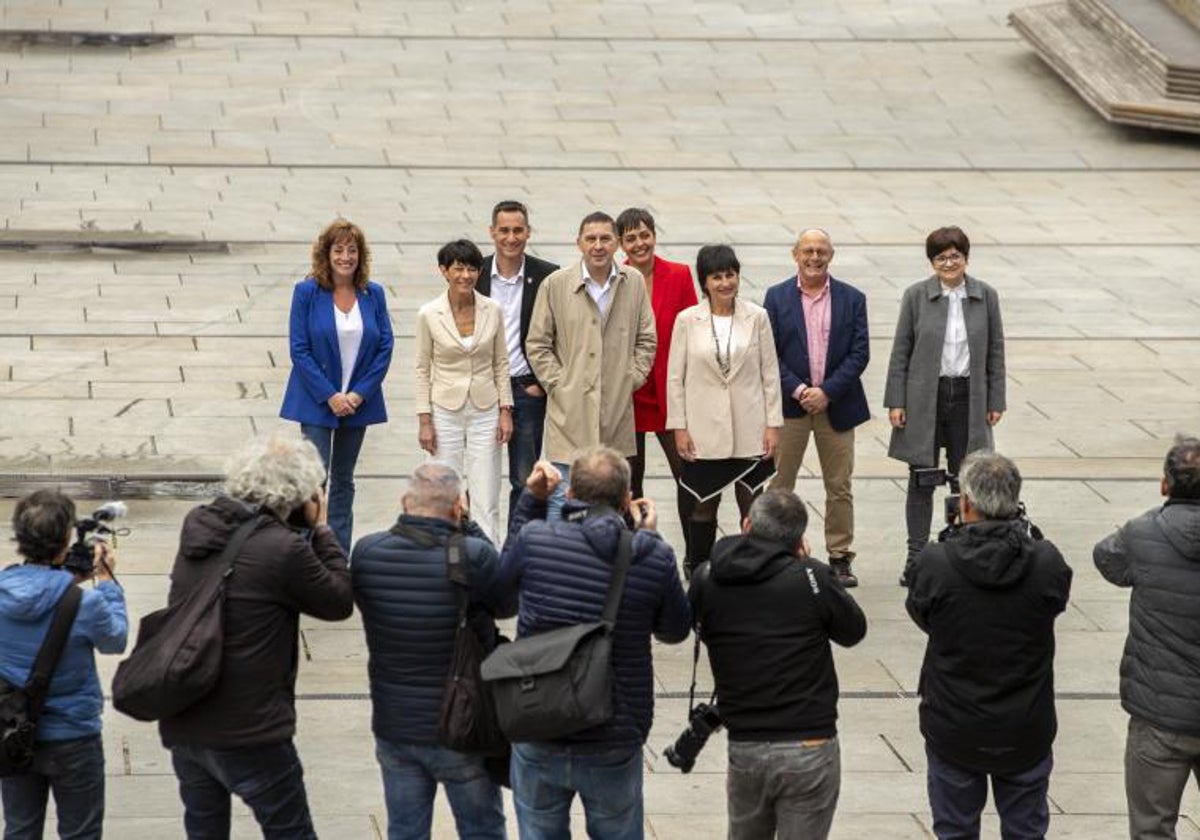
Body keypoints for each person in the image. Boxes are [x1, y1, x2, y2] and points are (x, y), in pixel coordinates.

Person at [159, 433, 354, 839]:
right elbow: (338, 601)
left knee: (204, 830)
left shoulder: (199, 524)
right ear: (300, 496)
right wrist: (321, 530)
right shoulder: (283, 549)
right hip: (250, 728)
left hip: (187, 718)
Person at [494, 450, 691, 838]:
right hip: (614, 730)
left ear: (568, 495)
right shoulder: (653, 555)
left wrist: (530, 503)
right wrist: (649, 537)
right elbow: (674, 630)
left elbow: (501, 599)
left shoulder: (535, 539)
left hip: (539, 720)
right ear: (626, 498)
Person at [906, 452, 1072, 840]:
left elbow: (922, 614)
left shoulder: (936, 562)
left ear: (965, 503)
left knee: (955, 829)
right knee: (1026, 829)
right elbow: (1056, 600)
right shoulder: (1045, 562)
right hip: (1025, 723)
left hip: (954, 723)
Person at [689, 488, 866, 840]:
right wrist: (808, 568)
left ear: (746, 524)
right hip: (809, 741)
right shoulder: (811, 577)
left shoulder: (708, 578)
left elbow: (701, 629)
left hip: (746, 743)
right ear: (799, 539)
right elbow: (853, 631)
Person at [352, 463, 507, 840]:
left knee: (405, 830)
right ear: (457, 507)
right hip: (462, 723)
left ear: (405, 501)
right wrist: (466, 524)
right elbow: (506, 602)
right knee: (482, 828)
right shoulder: (473, 554)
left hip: (395, 725)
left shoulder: (368, 553)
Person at [0, 491, 127, 840]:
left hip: (11, 730)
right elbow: (115, 639)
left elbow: (36, 597)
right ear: (66, 541)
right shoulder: (83, 603)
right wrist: (107, 583)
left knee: (20, 828)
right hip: (74, 735)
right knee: (81, 832)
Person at [885, 225, 1006, 587]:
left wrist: (996, 399)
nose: (949, 262)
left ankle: (962, 550)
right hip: (926, 396)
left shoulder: (986, 296)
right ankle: (916, 556)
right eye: (941, 257)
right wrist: (896, 400)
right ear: (932, 262)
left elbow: (996, 351)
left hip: (969, 395)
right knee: (921, 477)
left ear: (966, 258)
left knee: (966, 476)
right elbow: (900, 351)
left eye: (955, 255)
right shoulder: (916, 296)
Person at [1093, 435, 1200, 840]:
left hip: (1159, 715)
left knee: (1152, 828)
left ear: (1165, 484)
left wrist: (1160, 519)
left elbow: (1106, 558)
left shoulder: (1142, 533)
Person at [525, 211, 657, 518]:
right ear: (579, 243)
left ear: (616, 244)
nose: (598, 246)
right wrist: (559, 383)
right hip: (569, 416)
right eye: (591, 239)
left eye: (605, 239)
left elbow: (646, 338)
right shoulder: (556, 284)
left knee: (612, 507)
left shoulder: (632, 281)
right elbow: (538, 343)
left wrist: (631, 378)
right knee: (562, 501)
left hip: (615, 413)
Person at [666, 244, 783, 576]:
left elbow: (770, 373)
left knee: (753, 501)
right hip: (704, 430)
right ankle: (698, 565)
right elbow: (675, 377)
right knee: (704, 503)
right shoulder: (687, 320)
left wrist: (773, 424)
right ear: (705, 282)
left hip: (750, 425)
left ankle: (760, 567)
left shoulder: (757, 316)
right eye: (717, 277)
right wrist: (680, 427)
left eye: (730, 275)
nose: (725, 283)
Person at [280, 219, 395, 552]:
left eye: (352, 250)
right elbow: (299, 349)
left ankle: (337, 551)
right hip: (318, 401)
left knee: (344, 480)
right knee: (315, 479)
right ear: (326, 254)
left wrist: (359, 394)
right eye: (339, 249)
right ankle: (305, 549)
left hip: (358, 402)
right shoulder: (307, 293)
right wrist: (329, 395)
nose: (346, 257)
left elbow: (385, 345)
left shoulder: (373, 294)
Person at [763, 228, 869, 587]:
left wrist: (826, 392)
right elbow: (769, 353)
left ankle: (840, 557)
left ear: (831, 255)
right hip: (791, 408)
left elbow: (859, 354)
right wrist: (799, 388)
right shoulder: (776, 298)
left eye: (821, 250)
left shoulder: (853, 298)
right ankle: (774, 550)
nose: (814, 257)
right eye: (807, 250)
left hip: (836, 407)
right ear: (795, 254)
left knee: (839, 485)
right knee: (780, 484)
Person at [415, 239, 514, 544]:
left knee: (486, 493)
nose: (465, 276)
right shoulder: (429, 313)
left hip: (486, 408)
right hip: (445, 408)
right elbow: (422, 368)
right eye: (458, 268)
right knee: (444, 489)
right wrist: (425, 420)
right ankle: (440, 555)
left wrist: (505, 410)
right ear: (444, 271)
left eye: (472, 268)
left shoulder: (492, 309)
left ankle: (488, 560)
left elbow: (501, 361)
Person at [475, 200, 560, 530]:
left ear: (528, 232)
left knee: (525, 479)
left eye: (518, 230)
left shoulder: (547, 276)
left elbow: (559, 334)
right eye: (504, 230)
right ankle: (482, 548)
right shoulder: (474, 272)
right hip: (482, 388)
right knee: (482, 479)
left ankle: (518, 549)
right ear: (492, 232)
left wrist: (544, 382)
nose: (511, 238)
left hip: (526, 388)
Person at [616, 207, 697, 526]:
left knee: (686, 474)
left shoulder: (678, 275)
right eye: (631, 238)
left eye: (645, 235)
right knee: (630, 481)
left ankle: (693, 552)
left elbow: (693, 327)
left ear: (654, 235)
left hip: (668, 390)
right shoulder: (615, 277)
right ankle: (633, 547)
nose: (639, 243)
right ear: (621, 244)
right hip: (630, 392)